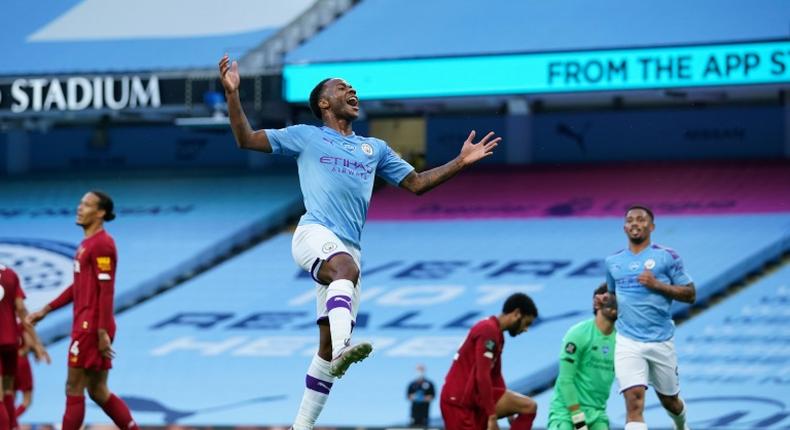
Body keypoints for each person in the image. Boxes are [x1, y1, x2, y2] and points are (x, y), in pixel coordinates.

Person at [218, 55, 500, 430]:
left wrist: (460, 162)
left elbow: (416, 184)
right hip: (314, 233)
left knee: (324, 347)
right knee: (344, 276)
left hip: (349, 248)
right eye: (342, 87)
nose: (352, 91)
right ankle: (344, 346)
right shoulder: (306, 135)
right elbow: (245, 139)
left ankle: (301, 426)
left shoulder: (375, 148)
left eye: (353, 88)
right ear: (323, 103)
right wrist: (233, 95)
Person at [28, 191, 139, 430]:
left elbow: (106, 290)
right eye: (80, 203)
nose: (79, 208)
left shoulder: (103, 244)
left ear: (100, 213)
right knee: (98, 391)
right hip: (90, 325)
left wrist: (101, 332)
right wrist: (45, 310)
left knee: (73, 388)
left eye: (86, 205)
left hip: (91, 327)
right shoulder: (87, 244)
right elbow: (78, 285)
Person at [605, 205, 696, 430]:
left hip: (660, 340)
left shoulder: (667, 257)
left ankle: (682, 425)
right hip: (628, 341)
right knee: (634, 402)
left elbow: (690, 294)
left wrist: (657, 285)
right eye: (630, 220)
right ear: (624, 228)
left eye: (641, 219)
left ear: (652, 226)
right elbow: (614, 298)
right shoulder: (612, 262)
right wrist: (605, 303)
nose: (635, 223)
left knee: (670, 402)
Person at [440, 293, 539, 430]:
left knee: (528, 406)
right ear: (516, 313)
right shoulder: (488, 330)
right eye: (526, 323)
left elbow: (495, 376)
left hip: (474, 399)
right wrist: (491, 416)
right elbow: (482, 375)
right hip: (459, 404)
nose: (526, 329)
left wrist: (510, 412)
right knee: (528, 406)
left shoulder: (496, 332)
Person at [547, 283, 617, 430]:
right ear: (597, 303)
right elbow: (566, 380)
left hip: (597, 414)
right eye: (612, 299)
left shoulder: (622, 340)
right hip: (566, 412)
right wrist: (578, 419)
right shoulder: (578, 334)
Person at [0, 265, 48, 430]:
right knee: (7, 392)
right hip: (10, 343)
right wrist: (38, 343)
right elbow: (21, 308)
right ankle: (13, 426)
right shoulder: (10, 274)